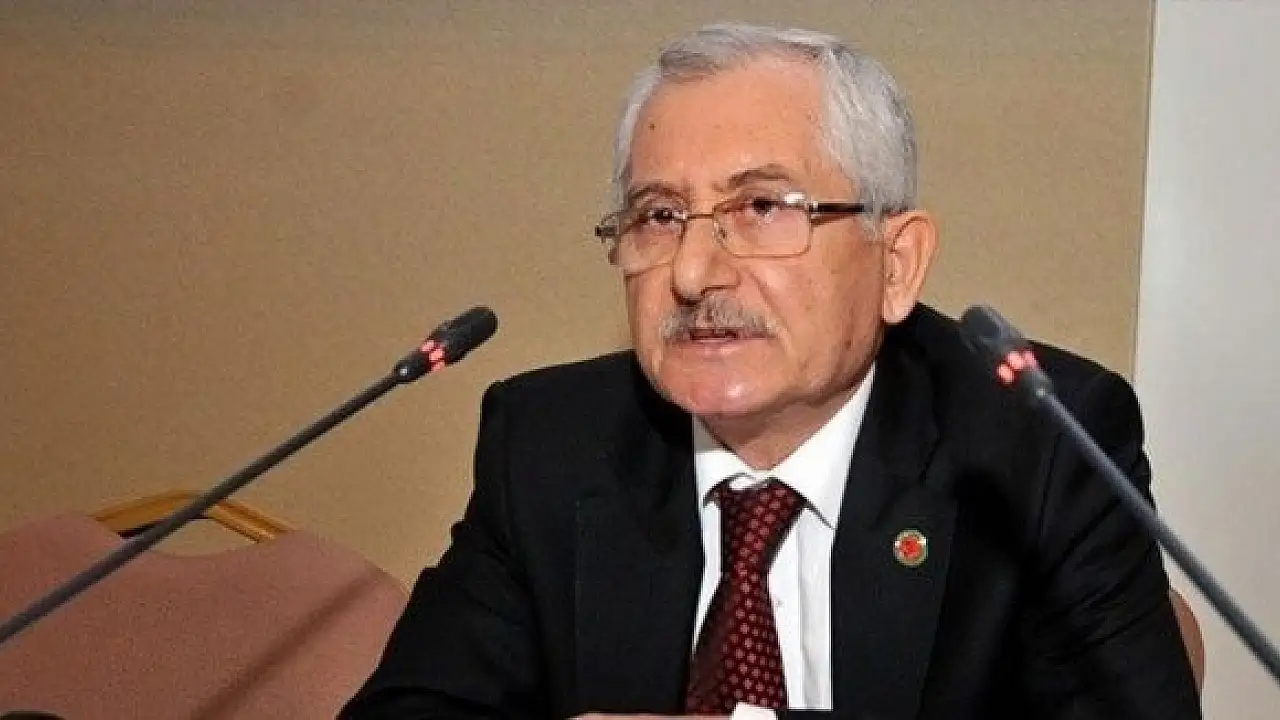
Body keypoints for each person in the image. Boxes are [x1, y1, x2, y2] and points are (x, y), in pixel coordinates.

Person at [341, 22, 1201, 719]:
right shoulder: (549, 445)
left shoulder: (1037, 448)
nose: (692, 273)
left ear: (897, 263)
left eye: (760, 207)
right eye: (659, 215)